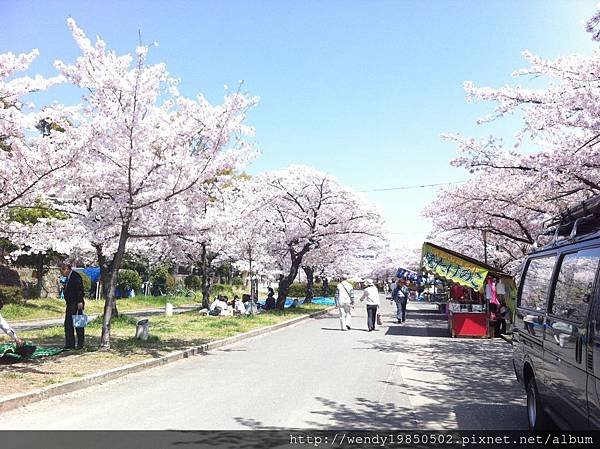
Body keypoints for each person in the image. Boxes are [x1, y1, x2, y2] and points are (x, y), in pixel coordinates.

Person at [59, 262, 85, 350]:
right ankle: (70, 344)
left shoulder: (76, 276)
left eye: (62, 271)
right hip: (70, 303)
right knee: (68, 324)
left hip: (76, 303)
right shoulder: (68, 278)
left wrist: (80, 301)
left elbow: (80, 289)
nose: (61, 273)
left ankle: (80, 344)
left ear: (66, 269)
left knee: (78, 324)